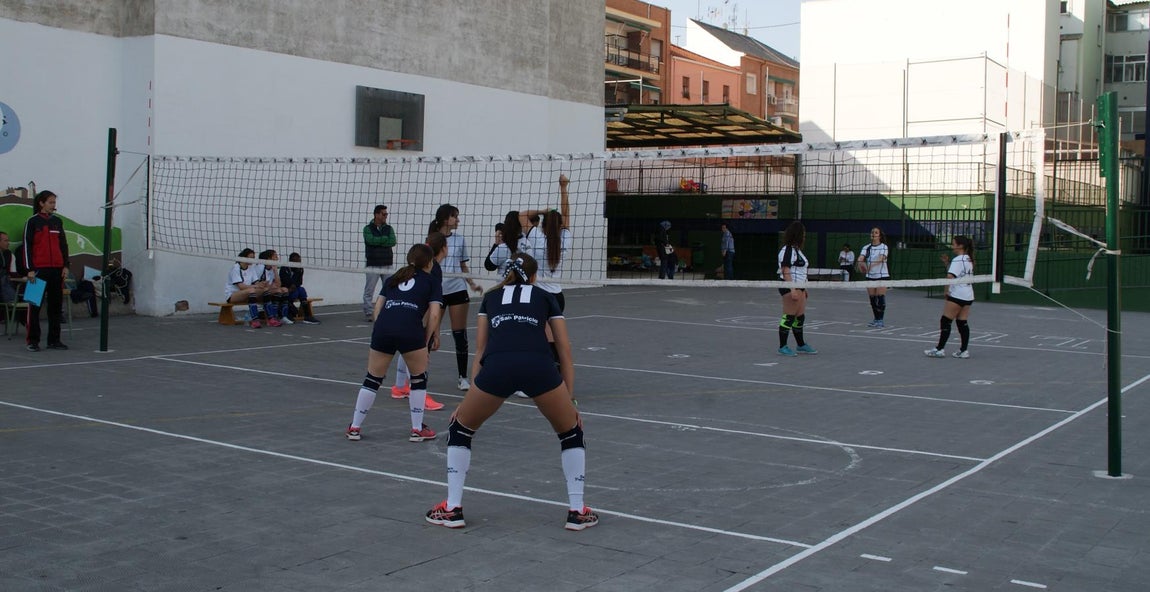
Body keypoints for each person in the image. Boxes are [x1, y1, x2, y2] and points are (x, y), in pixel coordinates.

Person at [424, 253, 597, 531]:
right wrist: (570, 400)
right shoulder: (545, 296)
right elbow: (564, 350)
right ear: (535, 275)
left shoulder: (491, 298)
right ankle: (577, 512)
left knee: (460, 428)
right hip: (538, 365)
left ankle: (452, 508)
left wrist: (467, 401)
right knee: (571, 432)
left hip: (498, 365)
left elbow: (480, 350)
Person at [346, 244, 444, 442]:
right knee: (418, 378)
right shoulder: (432, 281)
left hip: (384, 328)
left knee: (372, 378)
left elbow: (377, 308)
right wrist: (427, 338)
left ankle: (354, 427)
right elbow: (434, 314)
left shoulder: (393, 278)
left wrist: (381, 328)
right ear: (430, 262)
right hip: (410, 329)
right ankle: (417, 429)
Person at [429, 204, 483, 391]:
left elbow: (462, 265)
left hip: (458, 289)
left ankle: (462, 377)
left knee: (460, 334)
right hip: (438, 291)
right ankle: (419, 374)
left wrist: (472, 283)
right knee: (429, 332)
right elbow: (427, 265)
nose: (458, 220)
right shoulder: (433, 239)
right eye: (455, 217)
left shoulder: (460, 240)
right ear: (445, 219)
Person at [391, 233, 447, 412]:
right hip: (418, 317)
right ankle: (420, 393)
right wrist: (434, 332)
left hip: (403, 316)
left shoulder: (414, 270)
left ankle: (400, 387)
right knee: (418, 353)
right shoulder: (434, 269)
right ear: (444, 248)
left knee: (406, 349)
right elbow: (433, 306)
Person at [22, 190, 70, 352]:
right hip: (38, 271)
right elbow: (27, 246)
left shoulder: (57, 222)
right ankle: (32, 341)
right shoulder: (32, 222)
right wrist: (29, 269)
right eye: (50, 202)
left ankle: (54, 340)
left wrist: (65, 265)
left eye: (54, 202)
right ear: (41, 203)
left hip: (56, 270)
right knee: (34, 306)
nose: (53, 205)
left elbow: (63, 245)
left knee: (55, 307)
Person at [925, 235, 975, 359]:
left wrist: (946, 291)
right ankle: (963, 351)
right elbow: (958, 273)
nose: (952, 246)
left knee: (946, 321)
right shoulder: (968, 258)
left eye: (954, 244)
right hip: (968, 295)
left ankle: (939, 349)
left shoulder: (958, 260)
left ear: (960, 246)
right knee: (962, 322)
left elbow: (950, 277)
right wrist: (947, 263)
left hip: (957, 294)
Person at [777, 221, 817, 357]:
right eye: (803, 234)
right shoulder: (787, 250)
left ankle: (801, 345)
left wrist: (804, 288)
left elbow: (801, 271)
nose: (804, 237)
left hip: (800, 286)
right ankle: (783, 346)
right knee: (789, 316)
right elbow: (785, 269)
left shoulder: (797, 251)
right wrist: (792, 289)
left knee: (800, 317)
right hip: (789, 286)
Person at [363, 205, 397, 321]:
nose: (385, 216)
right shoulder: (367, 228)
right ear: (376, 215)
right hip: (373, 264)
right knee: (369, 290)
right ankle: (369, 312)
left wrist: (379, 241)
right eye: (384, 214)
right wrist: (384, 239)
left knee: (390, 288)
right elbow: (370, 240)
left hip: (387, 263)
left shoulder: (389, 228)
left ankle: (387, 310)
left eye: (386, 214)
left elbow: (393, 241)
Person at [224, 248, 268, 328]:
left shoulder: (251, 267)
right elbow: (241, 287)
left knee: (266, 290)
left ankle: (271, 318)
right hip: (233, 295)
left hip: (247, 293)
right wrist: (256, 286)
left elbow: (256, 282)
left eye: (253, 258)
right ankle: (255, 320)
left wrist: (261, 284)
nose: (253, 260)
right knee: (251, 291)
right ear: (244, 258)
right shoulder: (236, 268)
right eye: (251, 258)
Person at [857, 227, 890, 327]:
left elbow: (880, 259)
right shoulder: (866, 247)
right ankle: (876, 319)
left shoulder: (884, 247)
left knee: (880, 298)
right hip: (870, 276)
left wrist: (869, 266)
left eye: (876, 232)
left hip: (882, 275)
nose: (874, 234)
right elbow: (861, 258)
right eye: (872, 232)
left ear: (879, 235)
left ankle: (880, 320)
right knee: (872, 299)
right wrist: (860, 264)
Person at [279, 252, 321, 324]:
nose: (298, 263)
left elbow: (300, 282)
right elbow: (284, 280)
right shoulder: (284, 268)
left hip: (294, 289)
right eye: (296, 261)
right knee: (287, 291)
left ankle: (307, 316)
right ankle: (288, 313)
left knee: (301, 290)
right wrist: (291, 285)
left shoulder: (300, 269)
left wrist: (294, 284)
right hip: (285, 290)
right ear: (291, 261)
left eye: (299, 261)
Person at [0, 231, 17, 305]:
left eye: (8, 240)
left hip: (6, 282)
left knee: (35, 282)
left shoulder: (10, 255)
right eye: (5, 241)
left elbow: (13, 273)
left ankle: (32, 310)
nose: (8, 243)